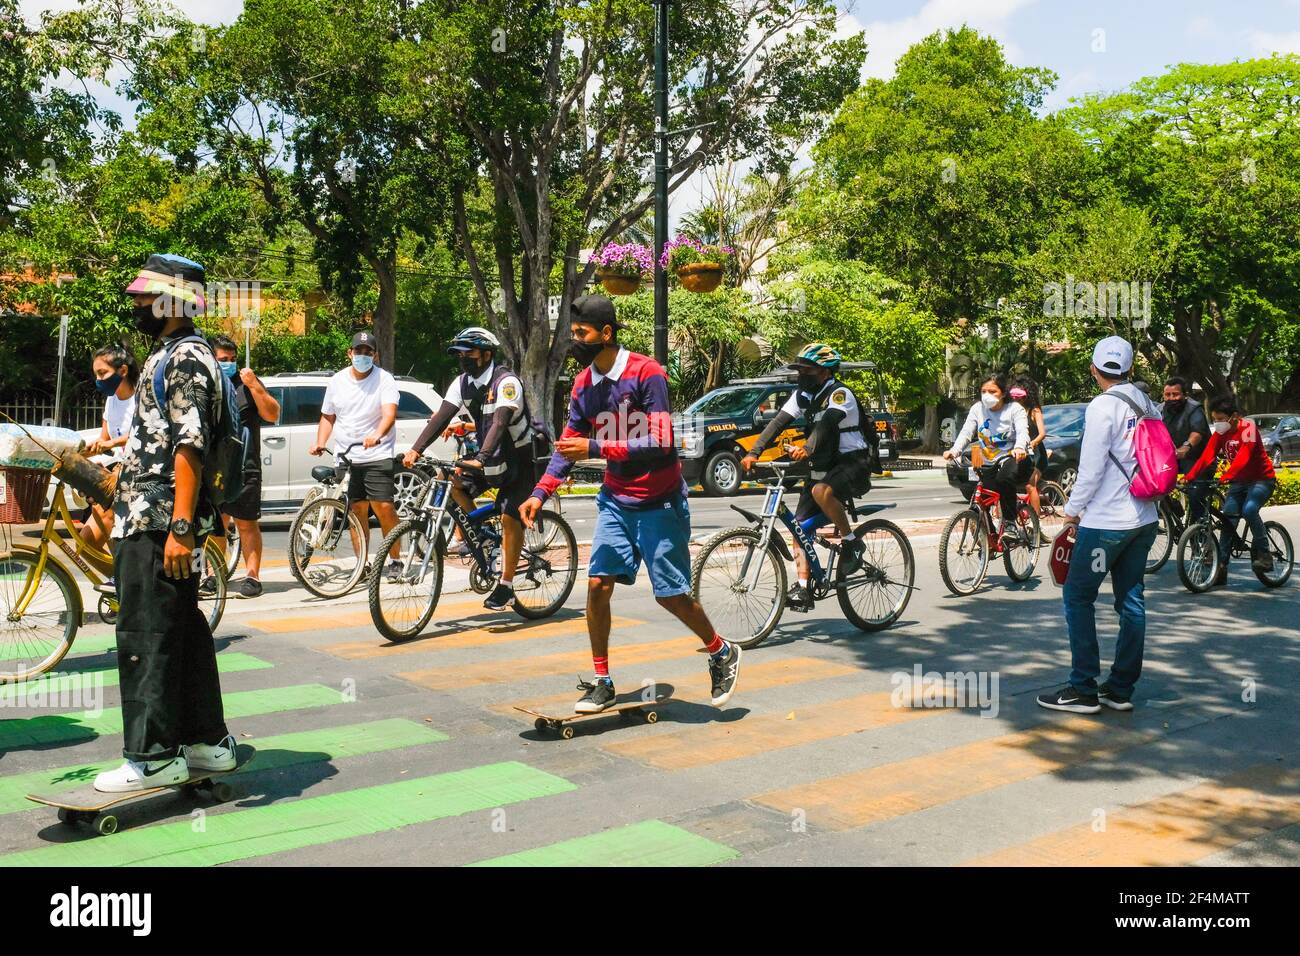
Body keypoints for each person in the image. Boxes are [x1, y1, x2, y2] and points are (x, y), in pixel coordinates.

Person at [518, 294, 741, 712]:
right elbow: (569, 447)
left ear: (606, 334)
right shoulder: (585, 385)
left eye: (581, 334)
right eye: (572, 334)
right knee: (598, 584)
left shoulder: (647, 373)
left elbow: (661, 441)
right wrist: (539, 492)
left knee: (671, 596)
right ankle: (602, 679)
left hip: (660, 502)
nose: (575, 341)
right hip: (616, 502)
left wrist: (597, 447)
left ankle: (720, 650)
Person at [95, 253, 235, 792]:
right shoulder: (174, 352)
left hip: (158, 522)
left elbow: (189, 443)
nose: (135, 302)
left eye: (143, 294)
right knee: (182, 628)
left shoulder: (183, 358)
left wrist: (179, 529)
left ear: (172, 301)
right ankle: (206, 743)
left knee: (146, 632)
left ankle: (153, 756)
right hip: (159, 517)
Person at [1038, 335, 1159, 715]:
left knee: (1077, 596)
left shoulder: (1101, 407)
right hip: (1145, 518)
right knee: (1131, 601)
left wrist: (1072, 511)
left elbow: (1089, 470)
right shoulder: (1146, 402)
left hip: (1107, 522)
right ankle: (1121, 689)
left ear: (1094, 369)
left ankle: (1083, 687)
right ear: (1130, 369)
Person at [403, 327, 535, 612]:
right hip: (489, 456)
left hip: (520, 458)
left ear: (487, 355)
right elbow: (440, 417)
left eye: (469, 353)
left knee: (510, 515)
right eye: (459, 354)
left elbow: (499, 423)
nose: (463, 359)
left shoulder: (506, 382)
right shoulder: (462, 383)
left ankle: (506, 586)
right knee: (450, 481)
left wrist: (482, 457)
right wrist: (416, 449)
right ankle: (483, 536)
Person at [738, 343, 875, 611]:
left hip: (853, 464)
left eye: (807, 370)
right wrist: (753, 452)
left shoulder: (839, 394)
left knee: (820, 491)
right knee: (798, 527)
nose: (801, 375)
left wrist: (807, 448)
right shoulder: (802, 395)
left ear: (824, 372)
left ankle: (851, 543)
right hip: (823, 464)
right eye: (799, 370)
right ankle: (803, 589)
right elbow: (778, 422)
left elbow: (826, 425)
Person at [310, 331, 403, 580]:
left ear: (375, 355)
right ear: (349, 353)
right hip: (346, 456)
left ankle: (395, 560)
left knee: (384, 507)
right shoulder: (337, 381)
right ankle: (362, 564)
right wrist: (320, 442)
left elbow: (389, 414)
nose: (363, 356)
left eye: (368, 352)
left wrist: (377, 435)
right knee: (356, 511)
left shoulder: (384, 380)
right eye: (358, 351)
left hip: (377, 453)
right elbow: (328, 416)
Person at [208, 334, 279, 599]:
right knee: (216, 524)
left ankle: (252, 576)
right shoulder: (209, 384)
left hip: (246, 465)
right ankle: (214, 574)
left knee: (247, 523)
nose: (229, 364)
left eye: (232, 359)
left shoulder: (247, 383)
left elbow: (272, 413)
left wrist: (254, 386)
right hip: (216, 468)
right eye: (223, 359)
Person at [1182, 394, 1277, 581]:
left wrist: (1227, 476)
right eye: (1214, 419)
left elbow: (1245, 455)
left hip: (1261, 480)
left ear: (1234, 416)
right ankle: (1221, 568)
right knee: (1228, 521)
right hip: (1238, 482)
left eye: (1220, 419)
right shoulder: (1220, 433)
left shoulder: (1247, 427)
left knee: (1249, 510)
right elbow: (1207, 456)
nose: (1217, 424)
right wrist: (1189, 477)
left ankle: (1265, 555)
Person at [943, 374, 1030, 545]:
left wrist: (1020, 447)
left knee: (1004, 479)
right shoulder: (977, 409)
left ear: (1003, 393)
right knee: (980, 495)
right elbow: (967, 432)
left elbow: (1022, 432)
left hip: (1014, 458)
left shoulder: (1014, 409)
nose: (987, 395)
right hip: (987, 460)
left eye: (992, 391)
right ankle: (988, 537)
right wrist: (954, 450)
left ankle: (1010, 524)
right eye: (984, 391)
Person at [80, 343, 139, 552]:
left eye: (103, 373)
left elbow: (145, 433)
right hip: (120, 469)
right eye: (96, 374)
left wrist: (112, 443)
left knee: (106, 513)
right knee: (86, 543)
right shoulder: (111, 400)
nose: (98, 380)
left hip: (141, 472)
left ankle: (122, 576)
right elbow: (102, 439)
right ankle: (118, 576)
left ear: (123, 371)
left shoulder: (142, 397)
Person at [1160, 376, 1210, 522]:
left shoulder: (1194, 408)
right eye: (1167, 395)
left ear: (1185, 395)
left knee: (1195, 497)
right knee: (1154, 484)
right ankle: (1173, 512)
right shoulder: (1160, 410)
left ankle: (1200, 532)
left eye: (1175, 394)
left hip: (1197, 460)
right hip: (1173, 459)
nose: (1171, 398)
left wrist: (1186, 446)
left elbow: (1197, 432)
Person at [1010, 375, 1049, 543]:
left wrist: (1032, 443)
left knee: (1030, 484)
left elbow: (1042, 433)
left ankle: (1036, 527)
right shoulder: (1013, 411)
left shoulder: (1035, 411)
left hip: (1037, 455)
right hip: (1022, 454)